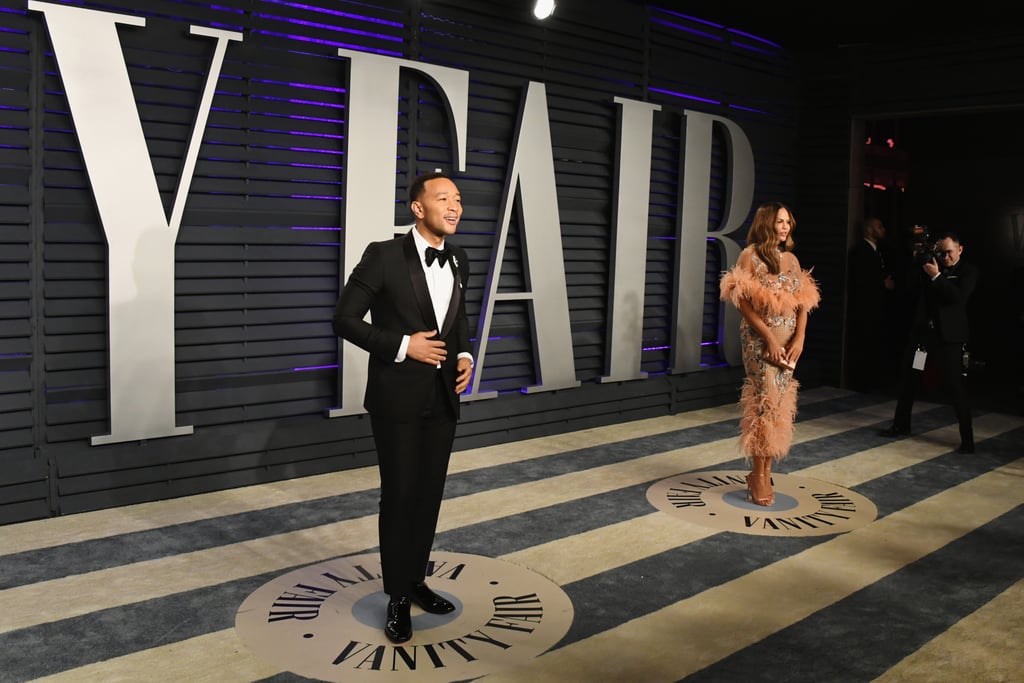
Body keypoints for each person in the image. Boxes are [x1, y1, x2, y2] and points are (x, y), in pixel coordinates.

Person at [332, 171, 473, 643]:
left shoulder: (460, 259)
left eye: (457, 199)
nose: (454, 206)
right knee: (400, 496)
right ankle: (396, 596)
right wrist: (401, 345)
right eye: (443, 198)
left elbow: (458, 318)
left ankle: (415, 581)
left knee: (429, 495)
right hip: (396, 399)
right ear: (418, 208)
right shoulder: (384, 255)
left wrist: (466, 355)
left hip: (443, 401)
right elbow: (344, 319)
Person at [719, 202, 821, 506]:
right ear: (766, 223)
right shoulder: (749, 256)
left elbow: (804, 301)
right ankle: (759, 474)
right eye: (780, 221)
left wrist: (800, 339)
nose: (786, 227)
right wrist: (768, 339)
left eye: (788, 221)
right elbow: (742, 302)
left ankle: (764, 471)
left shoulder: (791, 259)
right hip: (760, 341)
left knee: (778, 404)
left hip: (789, 341)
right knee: (764, 403)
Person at [879, 231, 977, 453]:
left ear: (960, 250)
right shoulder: (931, 265)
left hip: (948, 340)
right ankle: (900, 425)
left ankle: (968, 440)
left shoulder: (968, 271)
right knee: (910, 379)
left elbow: (958, 298)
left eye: (949, 252)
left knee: (955, 387)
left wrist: (936, 277)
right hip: (924, 337)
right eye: (941, 252)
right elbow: (911, 290)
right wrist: (918, 263)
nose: (945, 257)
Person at [845, 217, 896, 392]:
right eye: (879, 227)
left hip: (876, 311)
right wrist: (882, 284)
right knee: (865, 348)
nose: (883, 230)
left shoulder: (877, 252)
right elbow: (860, 281)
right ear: (869, 230)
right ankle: (864, 384)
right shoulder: (861, 252)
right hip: (865, 312)